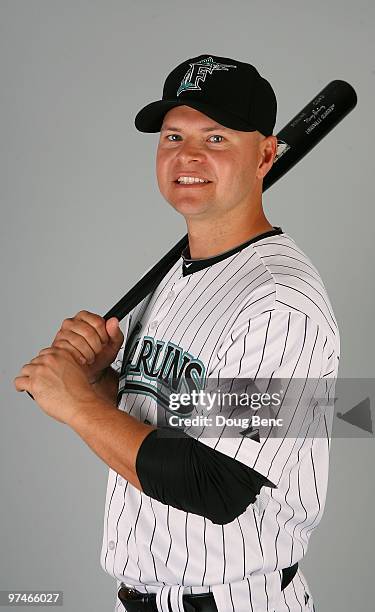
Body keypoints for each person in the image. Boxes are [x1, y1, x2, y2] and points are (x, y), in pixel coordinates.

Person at [14, 54, 340, 612]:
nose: (187, 155)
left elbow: (215, 484)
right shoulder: (175, 274)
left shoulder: (280, 303)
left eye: (216, 138)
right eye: (172, 135)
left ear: (265, 154)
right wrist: (97, 385)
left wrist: (75, 407)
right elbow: (172, 426)